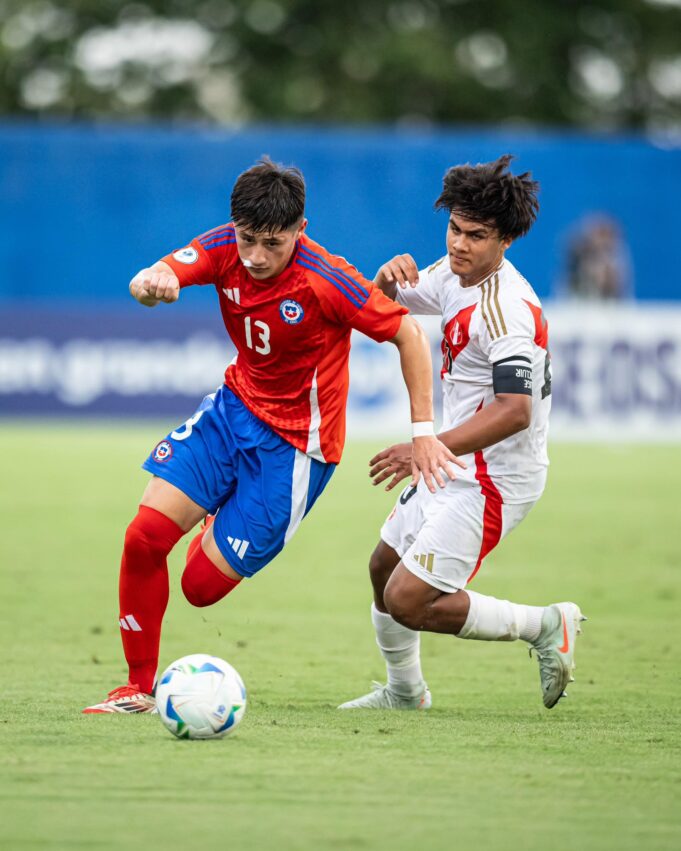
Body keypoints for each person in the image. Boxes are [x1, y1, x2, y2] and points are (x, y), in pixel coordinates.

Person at [83, 157, 458, 714]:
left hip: (295, 452)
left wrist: (423, 432)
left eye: (272, 244)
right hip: (231, 415)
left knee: (199, 589)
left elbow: (408, 334)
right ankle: (137, 688)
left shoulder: (326, 279)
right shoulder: (222, 248)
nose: (256, 257)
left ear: (299, 232)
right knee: (142, 538)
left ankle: (220, 514)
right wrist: (149, 282)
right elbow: (159, 275)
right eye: (247, 240)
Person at [339, 155, 586, 713]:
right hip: (455, 461)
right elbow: (381, 308)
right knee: (382, 567)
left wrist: (428, 443)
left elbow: (515, 410)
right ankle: (405, 693)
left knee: (407, 598)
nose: (459, 244)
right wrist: (385, 276)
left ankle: (545, 625)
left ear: (506, 240)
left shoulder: (507, 309)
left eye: (476, 236)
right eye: (454, 228)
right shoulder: (454, 273)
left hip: (496, 477)